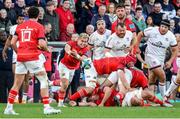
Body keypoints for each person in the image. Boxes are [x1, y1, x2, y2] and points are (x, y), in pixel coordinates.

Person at [3, 6, 61, 115]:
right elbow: (41, 43)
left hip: (21, 57)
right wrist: (46, 49)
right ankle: (46, 107)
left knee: (16, 84)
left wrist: (18, 52)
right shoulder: (39, 26)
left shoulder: (20, 26)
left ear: (27, 15)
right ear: (38, 14)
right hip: (33, 56)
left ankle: (9, 108)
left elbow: (12, 43)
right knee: (44, 80)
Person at [136, 19, 178, 100]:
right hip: (149, 56)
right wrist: (137, 47)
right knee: (162, 76)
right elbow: (140, 34)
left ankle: (146, 97)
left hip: (161, 59)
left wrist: (170, 61)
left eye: (165, 27)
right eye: (162, 26)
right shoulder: (152, 30)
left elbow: (175, 50)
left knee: (152, 79)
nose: (163, 28)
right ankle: (164, 98)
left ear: (168, 28)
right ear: (160, 26)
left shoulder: (171, 36)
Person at [57, 33, 89, 107]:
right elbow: (66, 47)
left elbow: (84, 59)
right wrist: (69, 52)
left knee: (66, 84)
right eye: (82, 41)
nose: (83, 43)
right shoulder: (72, 43)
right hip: (64, 65)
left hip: (73, 68)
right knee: (65, 84)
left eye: (85, 42)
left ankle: (52, 83)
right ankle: (60, 103)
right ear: (78, 39)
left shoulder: (86, 49)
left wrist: (76, 55)